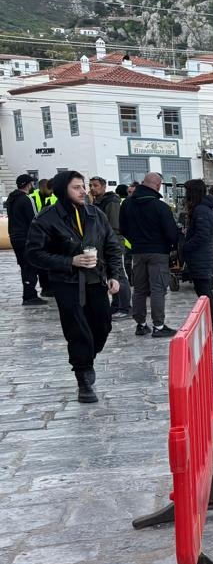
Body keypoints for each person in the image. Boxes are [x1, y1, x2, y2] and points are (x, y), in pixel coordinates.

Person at [26, 170, 124, 403]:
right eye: (76, 187)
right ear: (64, 190)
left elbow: (111, 245)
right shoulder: (46, 218)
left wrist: (114, 275)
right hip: (67, 283)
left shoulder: (95, 214)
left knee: (103, 324)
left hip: (96, 280)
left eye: (83, 186)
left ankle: (87, 358)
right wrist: (70, 261)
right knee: (77, 330)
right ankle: (83, 377)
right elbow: (33, 253)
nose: (83, 191)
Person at [120, 171, 179, 337]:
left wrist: (136, 241)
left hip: (138, 252)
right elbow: (171, 233)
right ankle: (158, 326)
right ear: (158, 186)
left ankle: (141, 324)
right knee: (157, 289)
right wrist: (170, 245)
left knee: (139, 289)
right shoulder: (160, 207)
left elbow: (123, 228)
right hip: (158, 252)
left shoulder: (127, 204)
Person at [180, 179, 213, 333]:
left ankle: (212, 321)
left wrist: (186, 246)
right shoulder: (201, 209)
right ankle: (211, 321)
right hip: (200, 255)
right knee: (202, 290)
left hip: (201, 255)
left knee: (204, 291)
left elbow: (202, 235)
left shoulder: (201, 210)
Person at [90, 176, 131, 317]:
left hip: (113, 243)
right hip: (103, 243)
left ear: (103, 186)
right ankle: (116, 304)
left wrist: (110, 244)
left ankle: (125, 307)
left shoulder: (111, 201)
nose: (92, 188)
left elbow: (114, 226)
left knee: (118, 273)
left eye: (95, 185)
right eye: (91, 185)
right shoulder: (96, 202)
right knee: (111, 273)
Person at [6, 174, 42, 305]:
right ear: (28, 184)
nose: (33, 186)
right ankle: (30, 296)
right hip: (26, 237)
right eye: (32, 183)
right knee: (30, 266)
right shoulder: (27, 199)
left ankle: (28, 294)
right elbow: (35, 220)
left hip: (14, 237)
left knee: (24, 266)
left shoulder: (11, 199)